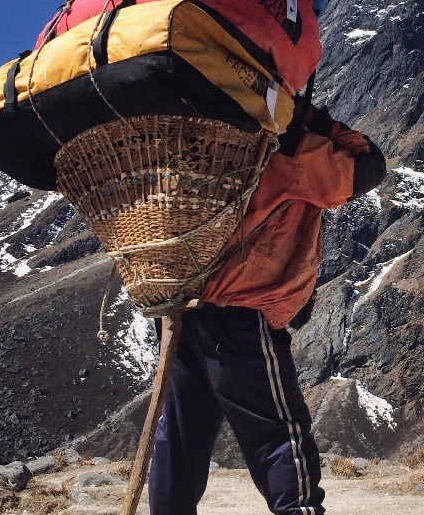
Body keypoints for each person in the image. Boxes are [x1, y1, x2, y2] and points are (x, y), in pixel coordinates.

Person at [147, 103, 386, 514]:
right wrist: (312, 120)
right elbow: (366, 167)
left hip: (183, 309)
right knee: (280, 437)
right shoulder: (281, 146)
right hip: (239, 315)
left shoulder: (195, 137)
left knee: (182, 439)